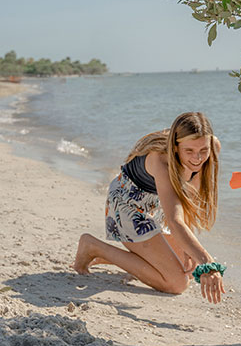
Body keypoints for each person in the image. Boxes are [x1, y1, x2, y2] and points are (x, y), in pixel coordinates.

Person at [72, 111, 226, 303]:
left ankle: (132, 255)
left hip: (157, 205)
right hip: (128, 205)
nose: (197, 158)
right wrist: (209, 264)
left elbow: (186, 199)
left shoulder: (212, 146)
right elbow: (175, 220)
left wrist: (189, 248)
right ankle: (94, 247)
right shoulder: (161, 160)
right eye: (189, 151)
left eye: (203, 151)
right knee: (176, 283)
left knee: (189, 265)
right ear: (175, 147)